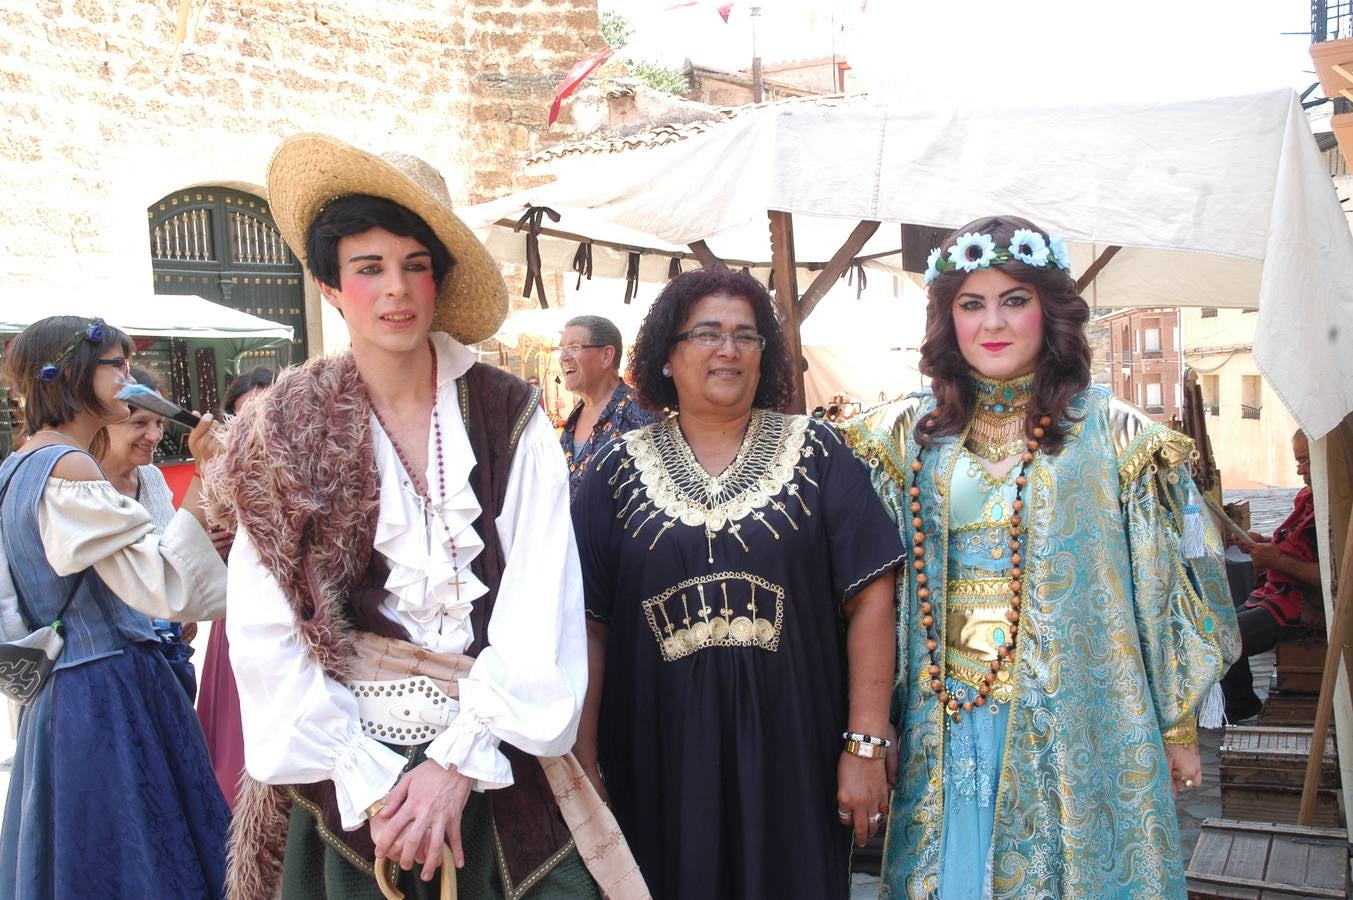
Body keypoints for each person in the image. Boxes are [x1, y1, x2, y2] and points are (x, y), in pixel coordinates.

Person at [208, 135, 637, 900]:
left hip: (491, 759)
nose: (395, 290)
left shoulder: (509, 414)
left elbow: (542, 610)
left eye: (414, 266)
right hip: (345, 782)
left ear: (438, 281)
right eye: (368, 269)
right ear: (333, 288)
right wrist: (368, 783)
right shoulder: (283, 429)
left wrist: (452, 768)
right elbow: (263, 629)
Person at [841, 216, 1239, 898]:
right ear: (947, 319)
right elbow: (866, 596)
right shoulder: (897, 437)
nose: (991, 322)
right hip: (947, 720)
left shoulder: (1117, 437)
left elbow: (1161, 586)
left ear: (1047, 311)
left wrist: (1176, 724)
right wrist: (868, 732)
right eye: (971, 304)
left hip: (1081, 717)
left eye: (1014, 300)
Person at [571, 268, 906, 899]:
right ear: (667, 356)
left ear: (765, 355)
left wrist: (865, 742)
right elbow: (590, 624)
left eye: (746, 337)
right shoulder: (616, 472)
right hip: (654, 754)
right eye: (707, 333)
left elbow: (871, 597)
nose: (728, 350)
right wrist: (585, 763)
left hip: (795, 752)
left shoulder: (817, 453)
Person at [0, 316, 229, 898]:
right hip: (108, 694)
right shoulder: (70, 469)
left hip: (61, 697)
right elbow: (170, 586)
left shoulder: (15, 468)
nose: (130, 380)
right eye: (118, 367)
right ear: (74, 373)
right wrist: (203, 476)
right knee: (140, 861)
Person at [97, 365, 229, 702]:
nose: (154, 436)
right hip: (110, 672)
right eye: (139, 423)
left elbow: (173, 554)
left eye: (158, 423)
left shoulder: (151, 477)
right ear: (103, 421)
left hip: (166, 655)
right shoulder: (84, 490)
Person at [195, 365, 272, 809]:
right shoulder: (221, 474)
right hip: (239, 618)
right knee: (235, 748)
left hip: (305, 617)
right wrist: (215, 541)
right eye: (243, 416)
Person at [1219, 429, 1322, 722]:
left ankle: (1242, 711)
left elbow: (1330, 578)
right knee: (1219, 626)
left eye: (1306, 462)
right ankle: (1242, 706)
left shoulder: (1334, 509)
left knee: (1226, 638)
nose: (1300, 470)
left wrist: (1273, 557)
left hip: (1302, 607)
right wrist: (1261, 542)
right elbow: (1295, 547)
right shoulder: (1307, 498)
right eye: (1298, 462)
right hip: (1277, 595)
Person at [557, 315, 657, 497]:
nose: (563, 357)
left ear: (606, 356)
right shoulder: (573, 419)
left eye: (574, 347)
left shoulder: (639, 413)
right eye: (562, 348)